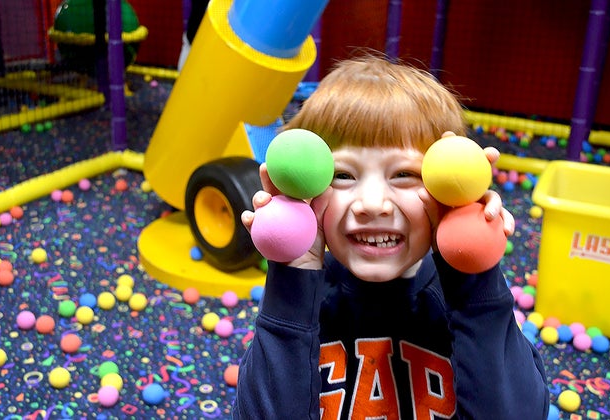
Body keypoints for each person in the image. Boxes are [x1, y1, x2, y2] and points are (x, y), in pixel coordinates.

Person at [233, 55, 549, 419]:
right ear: (306, 188)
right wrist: (291, 282)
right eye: (343, 175)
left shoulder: (463, 298)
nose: (372, 204)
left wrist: (473, 274)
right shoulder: (304, 301)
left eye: (403, 174)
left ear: (445, 187)